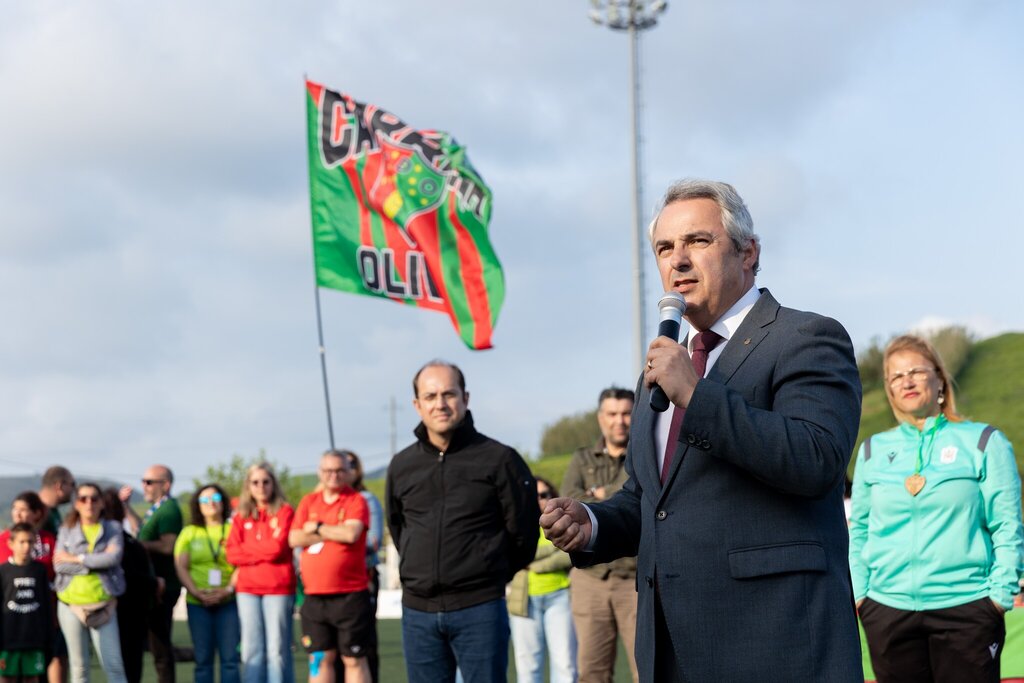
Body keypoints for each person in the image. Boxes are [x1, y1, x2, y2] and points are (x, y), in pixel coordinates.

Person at [541, 179, 864, 682]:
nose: (678, 260)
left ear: (748, 252)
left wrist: (695, 395)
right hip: (669, 647)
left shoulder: (805, 337)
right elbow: (655, 498)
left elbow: (815, 459)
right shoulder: (665, 366)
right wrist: (594, 522)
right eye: (665, 248)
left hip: (775, 645)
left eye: (698, 240)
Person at [849, 334, 1024, 682]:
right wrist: (862, 595)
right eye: (896, 376)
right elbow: (860, 529)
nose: (907, 381)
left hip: (968, 608)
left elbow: (1007, 525)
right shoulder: (872, 451)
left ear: (940, 378)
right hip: (886, 610)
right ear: (888, 388)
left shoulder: (984, 442)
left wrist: (998, 597)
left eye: (916, 370)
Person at [386, 360, 538, 683]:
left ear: (465, 398)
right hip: (418, 613)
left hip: (480, 609)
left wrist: (486, 572)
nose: (440, 404)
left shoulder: (500, 459)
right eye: (430, 396)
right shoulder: (401, 466)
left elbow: (523, 533)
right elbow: (399, 528)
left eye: (448, 394)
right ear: (417, 405)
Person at [561, 387, 638, 683]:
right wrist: (610, 496)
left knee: (647, 669)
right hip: (590, 581)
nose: (620, 421)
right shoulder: (581, 458)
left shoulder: (647, 452)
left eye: (626, 413)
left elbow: (637, 498)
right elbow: (570, 501)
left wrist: (593, 498)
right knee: (592, 674)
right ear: (600, 418)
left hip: (634, 581)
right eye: (612, 414)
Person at [289, 451, 371, 683]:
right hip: (314, 596)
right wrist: (333, 531)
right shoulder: (308, 501)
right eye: (328, 471)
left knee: (354, 659)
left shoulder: (357, 500)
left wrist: (316, 527)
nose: (334, 475)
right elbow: (294, 538)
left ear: (349, 472)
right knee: (319, 657)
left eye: (340, 470)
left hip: (350, 595)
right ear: (320, 472)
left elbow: (351, 534)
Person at [225, 463, 295, 683]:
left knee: (277, 649)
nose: (261, 486)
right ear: (248, 485)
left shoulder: (285, 511)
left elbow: (278, 549)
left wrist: (250, 551)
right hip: (247, 589)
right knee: (251, 649)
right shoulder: (240, 516)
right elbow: (232, 553)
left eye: (266, 481)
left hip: (278, 588)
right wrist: (264, 549)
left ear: (273, 484)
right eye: (255, 482)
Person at [53, 483, 128, 683]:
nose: (89, 503)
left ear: (102, 502)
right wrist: (96, 561)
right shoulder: (66, 529)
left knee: (114, 665)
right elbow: (59, 564)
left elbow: (113, 559)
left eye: (94, 498)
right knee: (79, 669)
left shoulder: (113, 528)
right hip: (70, 605)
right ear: (76, 503)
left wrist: (77, 558)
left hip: (104, 605)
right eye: (83, 498)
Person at [508, 477, 576, 683]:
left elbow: (569, 552)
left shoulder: (562, 523)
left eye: (544, 495)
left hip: (560, 597)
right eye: (533, 495)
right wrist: (553, 548)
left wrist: (534, 562)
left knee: (565, 666)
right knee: (528, 668)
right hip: (524, 602)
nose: (539, 500)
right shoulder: (514, 523)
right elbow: (513, 553)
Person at [119, 465, 182, 683]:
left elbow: (167, 545)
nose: (143, 486)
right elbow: (141, 529)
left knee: (160, 647)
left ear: (165, 485)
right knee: (154, 644)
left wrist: (133, 546)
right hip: (154, 585)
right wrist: (126, 508)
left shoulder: (169, 510)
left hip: (164, 586)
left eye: (148, 482)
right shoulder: (157, 507)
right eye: (143, 481)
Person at [175, 484, 240, 683]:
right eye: (204, 500)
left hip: (228, 602)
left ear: (223, 502)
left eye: (215, 498)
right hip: (198, 604)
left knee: (230, 659)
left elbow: (242, 564)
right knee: (203, 660)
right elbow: (181, 566)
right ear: (197, 505)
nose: (210, 503)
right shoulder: (189, 532)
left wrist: (227, 590)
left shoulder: (233, 529)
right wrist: (196, 592)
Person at [101, 487, 157, 683]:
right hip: (125, 614)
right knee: (128, 666)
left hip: (121, 613)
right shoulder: (130, 543)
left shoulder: (129, 544)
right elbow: (144, 580)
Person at [340, 450, 383, 683]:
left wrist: (334, 537)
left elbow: (372, 542)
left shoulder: (366, 500)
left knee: (361, 645)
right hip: (330, 583)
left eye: (347, 467)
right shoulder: (321, 501)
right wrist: (342, 535)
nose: (339, 473)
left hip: (361, 580)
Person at [0, 522, 54, 683]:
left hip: (34, 638)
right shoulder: (3, 571)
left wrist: (47, 636)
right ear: (11, 543)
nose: (26, 546)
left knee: (32, 678)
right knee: (6, 678)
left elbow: (46, 606)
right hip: (7, 639)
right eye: (22, 542)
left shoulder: (39, 570)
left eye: (30, 542)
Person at [1, 492, 56, 579]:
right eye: (15, 509)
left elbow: (56, 567)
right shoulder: (4, 539)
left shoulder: (48, 539)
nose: (17, 514)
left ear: (37, 513)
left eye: (23, 510)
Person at [38, 467, 75, 538]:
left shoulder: (53, 511)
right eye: (72, 484)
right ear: (59, 486)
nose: (74, 489)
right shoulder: (35, 512)